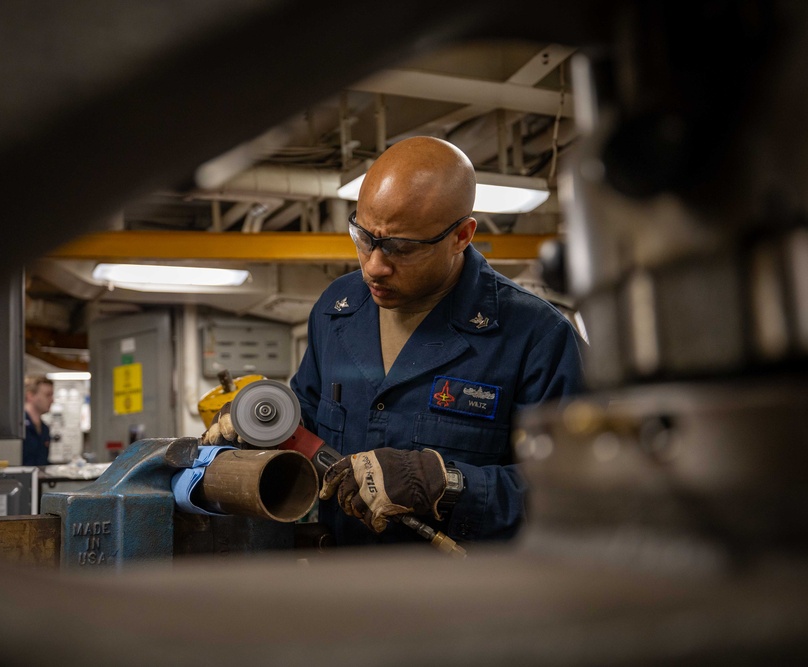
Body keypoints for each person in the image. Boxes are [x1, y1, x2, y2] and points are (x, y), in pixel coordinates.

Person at [205, 136, 584, 547]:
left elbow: (581, 493)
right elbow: (308, 428)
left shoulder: (537, 337)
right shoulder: (337, 309)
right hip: (343, 580)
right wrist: (263, 432)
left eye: (401, 248)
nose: (374, 266)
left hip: (467, 596)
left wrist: (449, 484)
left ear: (462, 236)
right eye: (364, 238)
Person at [23, 376, 54, 466]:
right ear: (30, 396)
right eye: (48, 395)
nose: (52, 400)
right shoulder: (19, 428)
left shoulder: (44, 428)